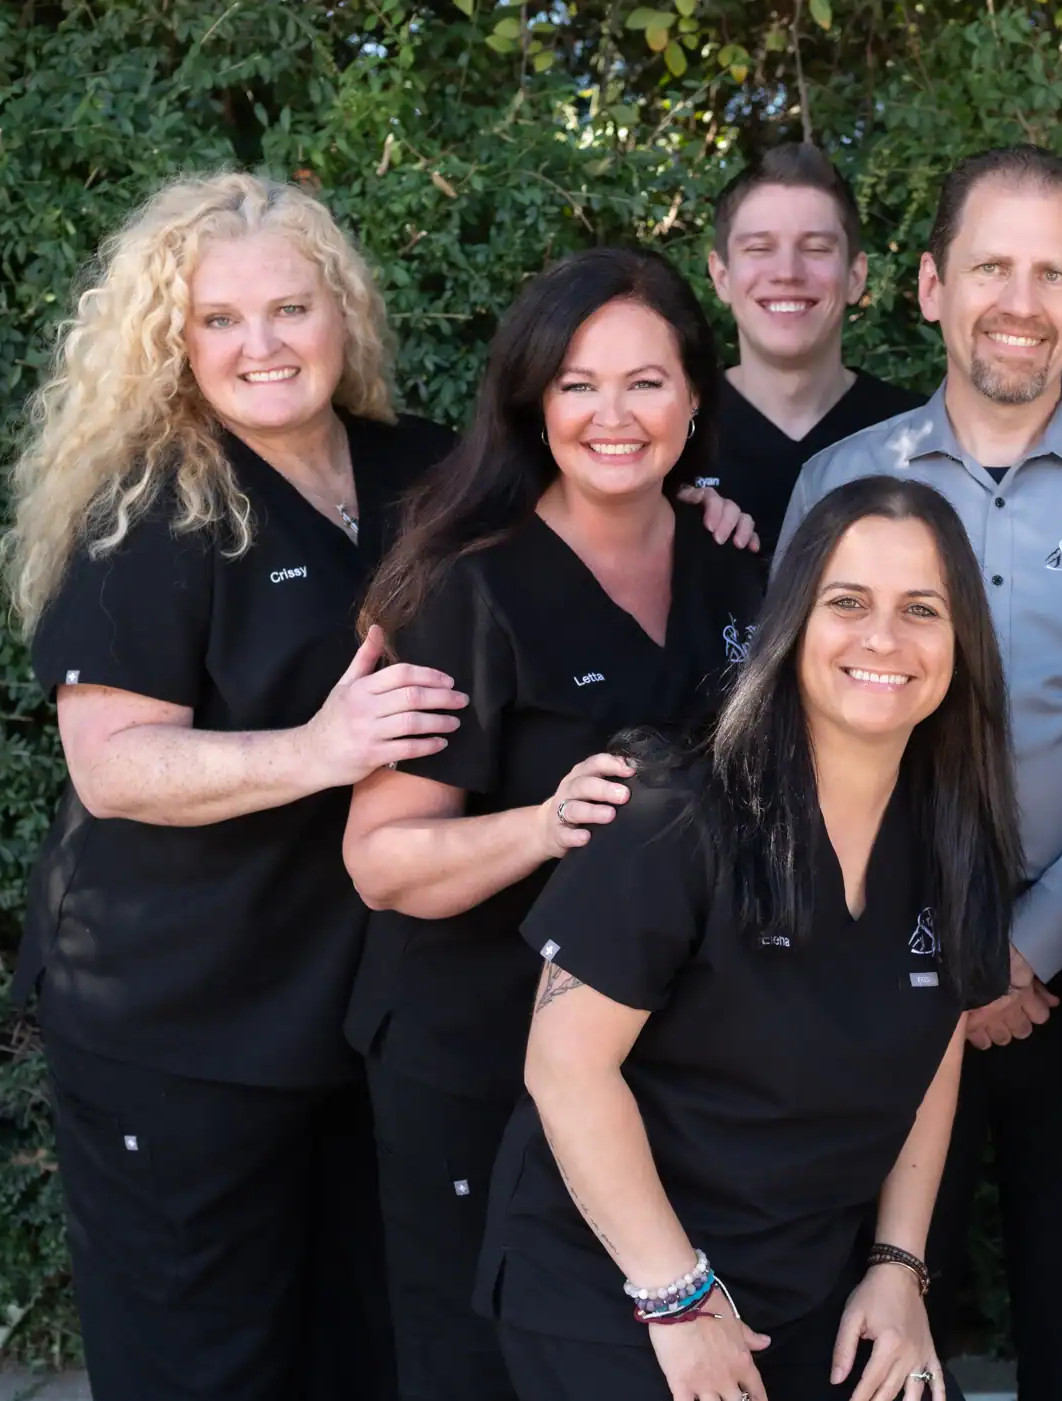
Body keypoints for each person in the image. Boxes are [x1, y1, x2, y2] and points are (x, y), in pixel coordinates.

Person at [781, 144, 1062, 1400]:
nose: (1018, 302)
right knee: (855, 1326)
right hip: (870, 963)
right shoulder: (840, 483)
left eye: (1050, 275)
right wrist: (941, 941)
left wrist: (1020, 948)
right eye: (990, 268)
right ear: (930, 286)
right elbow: (796, 735)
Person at [3, 172, 456, 1400]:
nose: (263, 345)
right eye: (220, 319)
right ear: (176, 341)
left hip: (359, 1016)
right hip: (179, 1019)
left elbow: (580, 523)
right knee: (206, 1368)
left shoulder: (422, 468)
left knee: (361, 1355)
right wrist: (322, 748)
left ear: (342, 314)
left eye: (291, 309)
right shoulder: (150, 506)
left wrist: (700, 511)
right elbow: (113, 765)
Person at [474, 474, 1021, 1401]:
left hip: (811, 1281)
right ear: (791, 624)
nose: (883, 638)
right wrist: (678, 1299)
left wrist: (898, 1265)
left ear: (962, 640)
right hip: (618, 1280)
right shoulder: (673, 813)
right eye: (847, 602)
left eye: (921, 609)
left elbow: (936, 1045)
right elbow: (564, 1068)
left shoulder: (955, 836)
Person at [340, 246, 766, 1401]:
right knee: (486, 1369)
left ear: (695, 398)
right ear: (533, 401)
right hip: (473, 1051)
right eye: (579, 384)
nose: (612, 416)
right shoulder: (464, 585)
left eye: (646, 382)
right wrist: (542, 825)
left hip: (663, 1060)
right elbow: (379, 861)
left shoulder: (737, 561)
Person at [700, 142, 925, 551]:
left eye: (817, 248)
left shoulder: (921, 437)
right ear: (721, 277)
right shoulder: (673, 433)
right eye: (759, 248)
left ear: (856, 276)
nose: (787, 272)